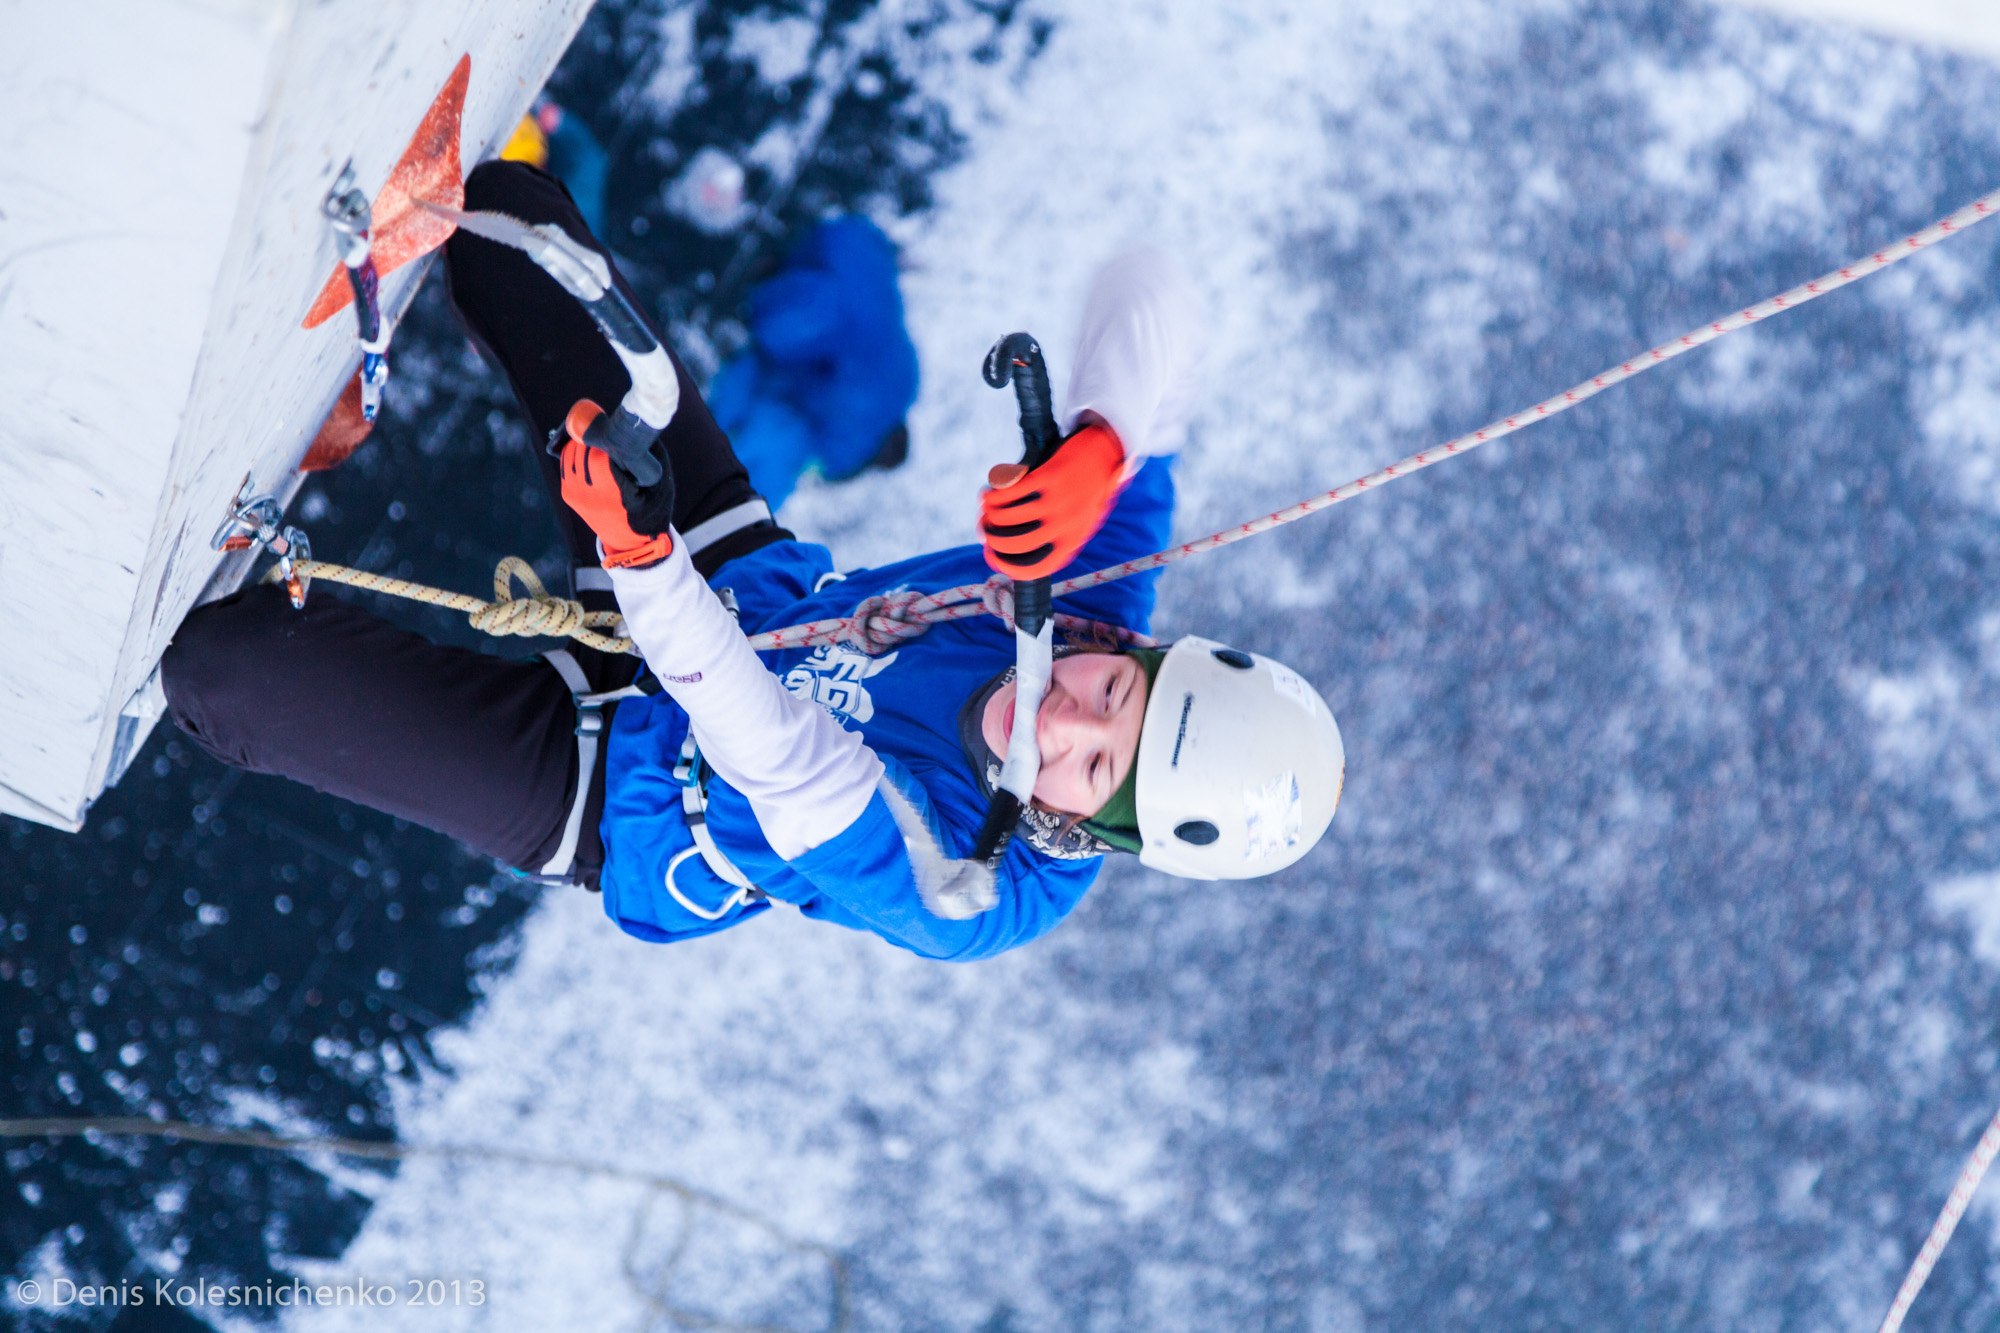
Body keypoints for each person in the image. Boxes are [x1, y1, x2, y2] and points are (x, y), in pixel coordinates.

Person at [160, 159, 1344, 963]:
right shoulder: (1089, 597)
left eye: (1089, 771)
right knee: (513, 225)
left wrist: (637, 554)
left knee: (226, 672)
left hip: (613, 796)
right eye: (1114, 694)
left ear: (1094, 833)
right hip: (733, 568)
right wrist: (1102, 443)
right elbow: (1155, 290)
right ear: (1131, 647)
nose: (1060, 724)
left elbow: (772, 755)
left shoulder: (975, 891)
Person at [705, 214, 920, 507]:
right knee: (771, 436)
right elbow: (810, 392)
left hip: (845, 239)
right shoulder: (848, 445)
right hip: (789, 317)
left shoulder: (907, 379)